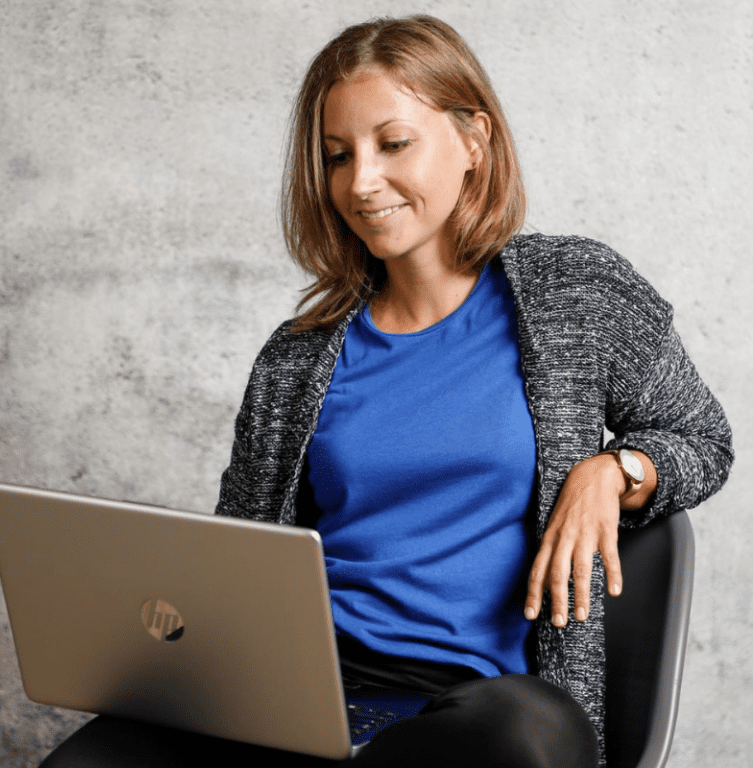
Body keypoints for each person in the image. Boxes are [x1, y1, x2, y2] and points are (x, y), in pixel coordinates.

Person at [214, 14, 733, 768]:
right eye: (337, 155)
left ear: (473, 141)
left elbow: (702, 438)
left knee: (531, 736)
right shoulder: (295, 360)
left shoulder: (574, 293)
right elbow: (237, 555)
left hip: (474, 706)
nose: (361, 181)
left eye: (393, 144)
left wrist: (613, 470)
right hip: (309, 689)